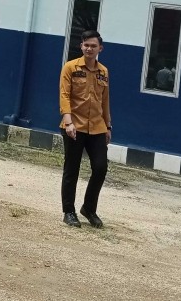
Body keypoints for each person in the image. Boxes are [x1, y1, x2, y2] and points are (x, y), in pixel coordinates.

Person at [59, 29, 111, 229]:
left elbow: (105, 101)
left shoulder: (103, 72)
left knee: (100, 168)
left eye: (93, 46)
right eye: (86, 45)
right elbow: (64, 95)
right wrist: (68, 121)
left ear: (100, 48)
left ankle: (89, 208)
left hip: (97, 127)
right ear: (81, 46)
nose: (89, 48)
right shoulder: (70, 68)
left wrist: (108, 125)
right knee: (71, 169)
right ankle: (69, 212)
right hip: (74, 126)